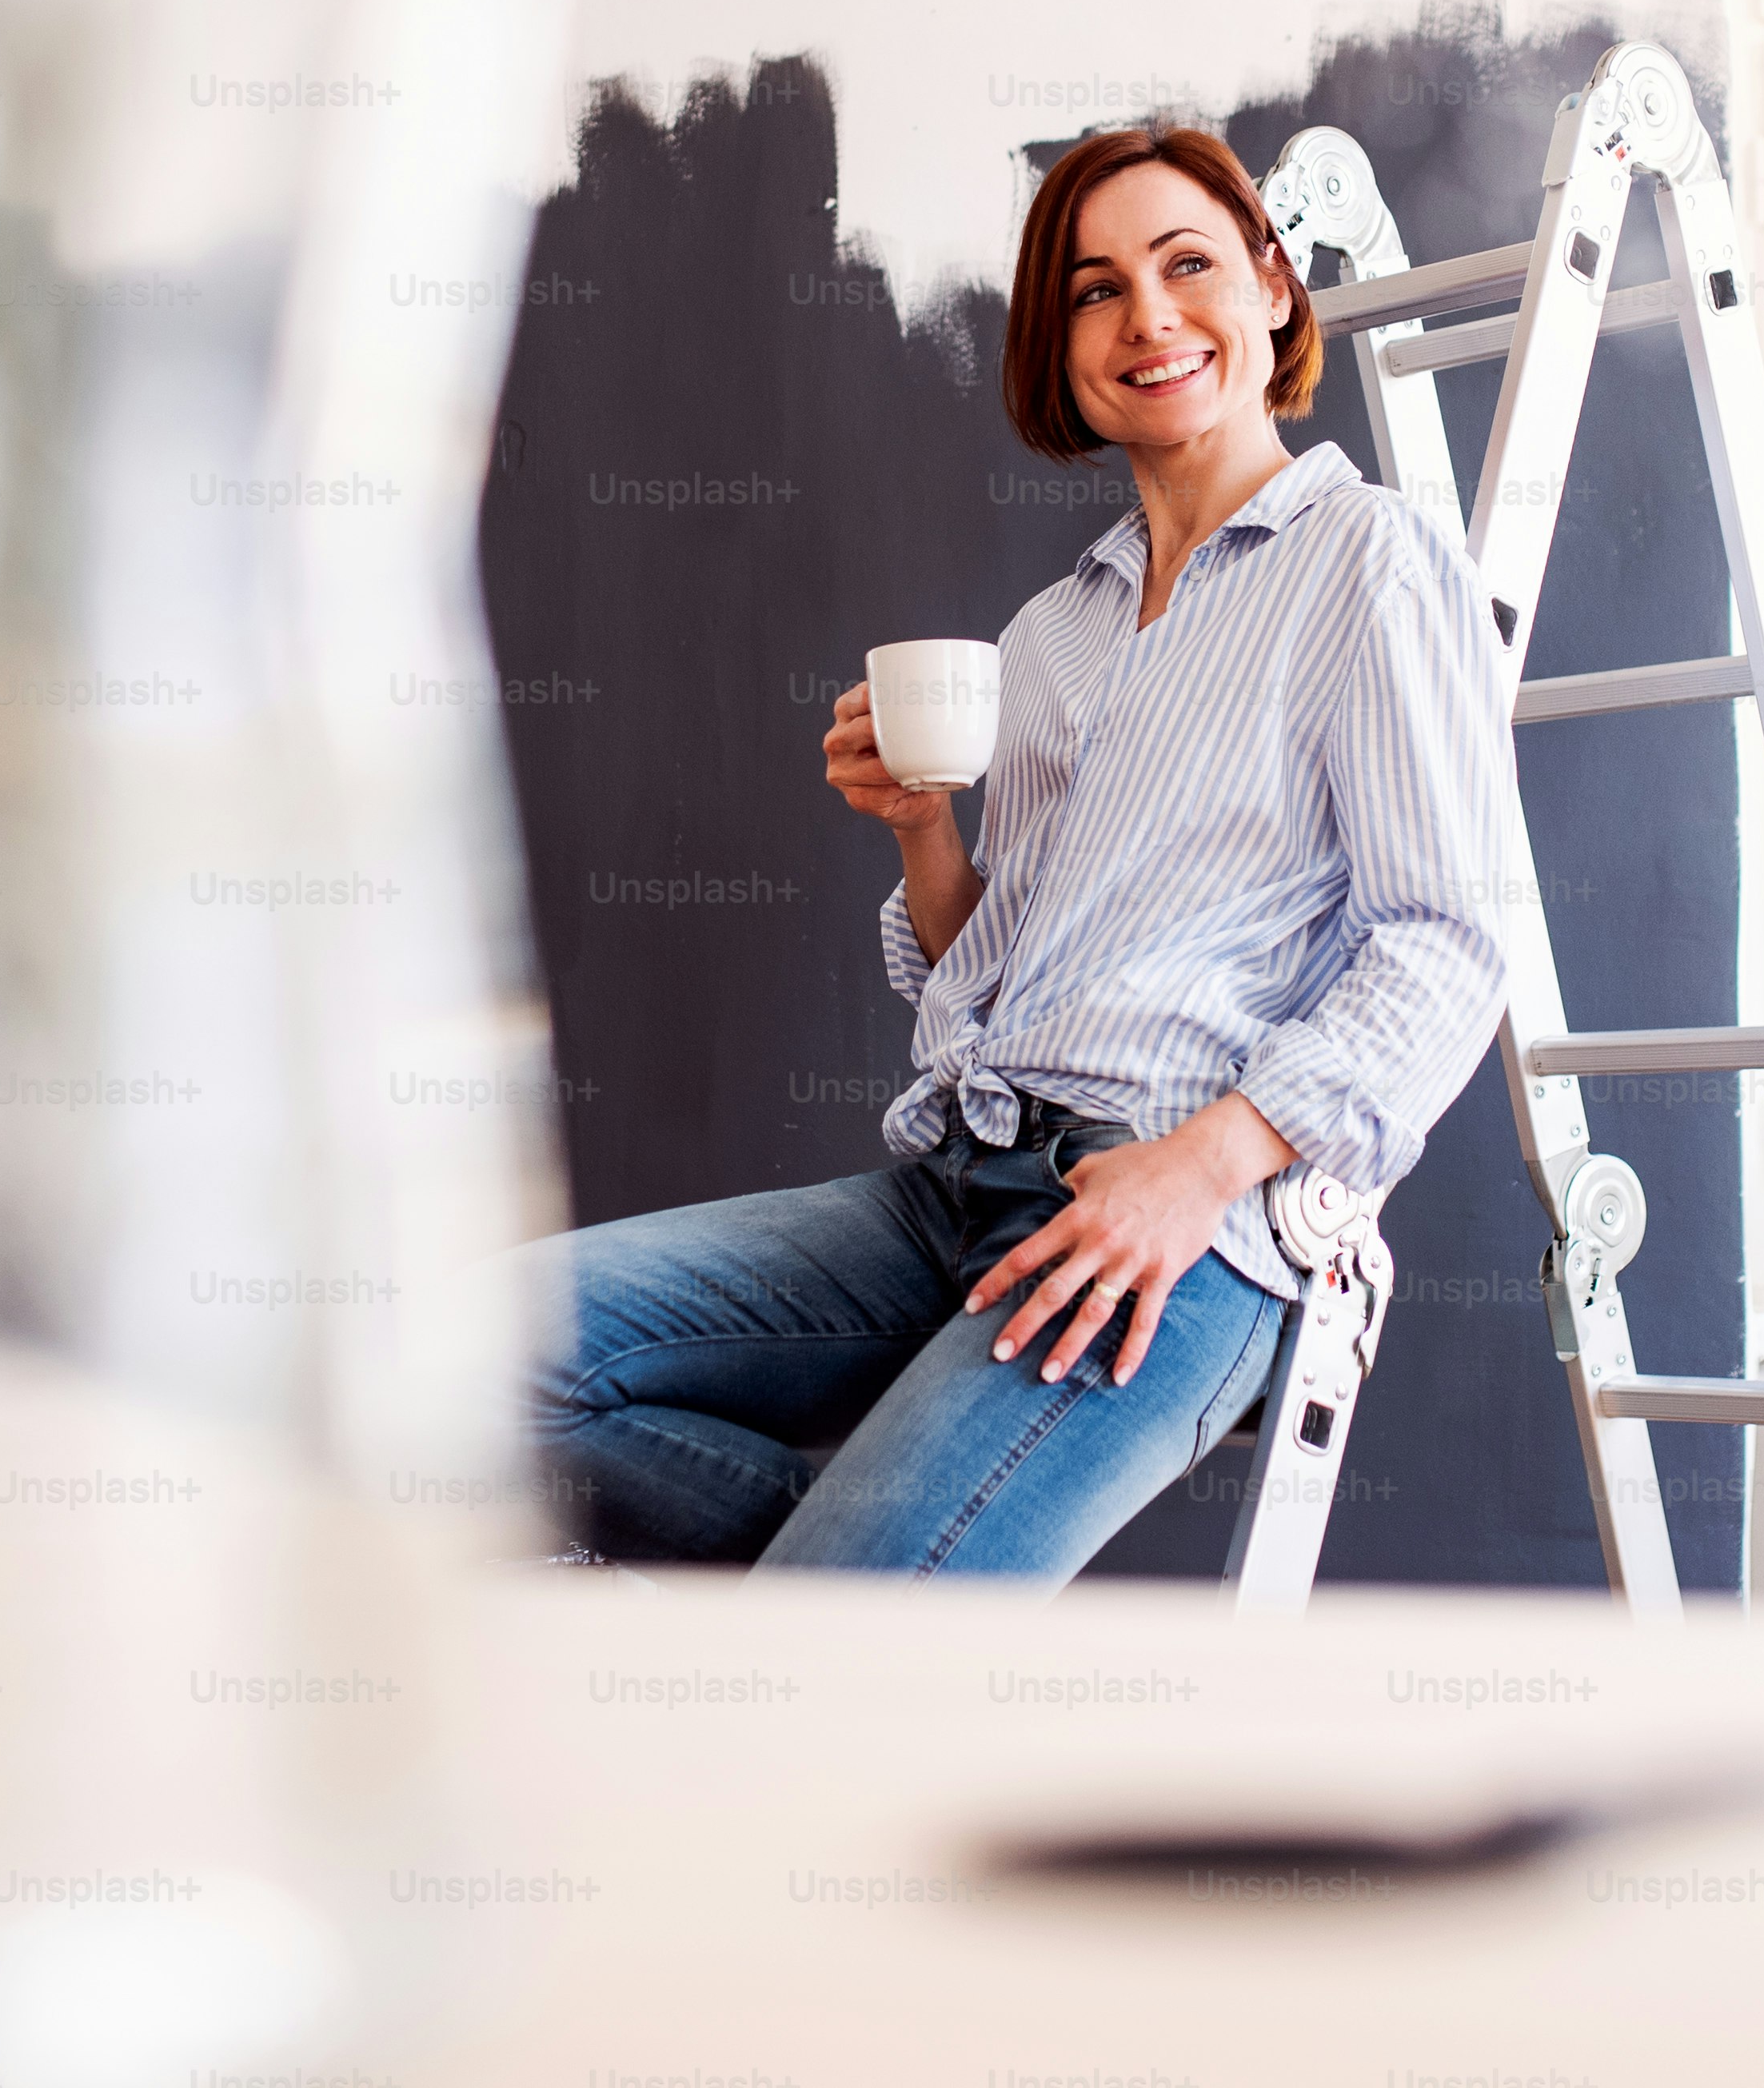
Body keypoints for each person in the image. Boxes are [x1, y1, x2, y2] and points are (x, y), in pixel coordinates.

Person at [515, 122, 1511, 1583]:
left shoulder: (1370, 560)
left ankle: (863, 1611)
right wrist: (922, 828)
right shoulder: (1054, 632)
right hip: (950, 1184)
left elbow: (1446, 941)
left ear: (1274, 288)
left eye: (1188, 267)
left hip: (1178, 1226)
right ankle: (871, 1603)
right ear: (1060, 345)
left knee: (831, 1641)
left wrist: (1193, 1172)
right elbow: (1000, 954)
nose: (1149, 318)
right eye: (1096, 290)